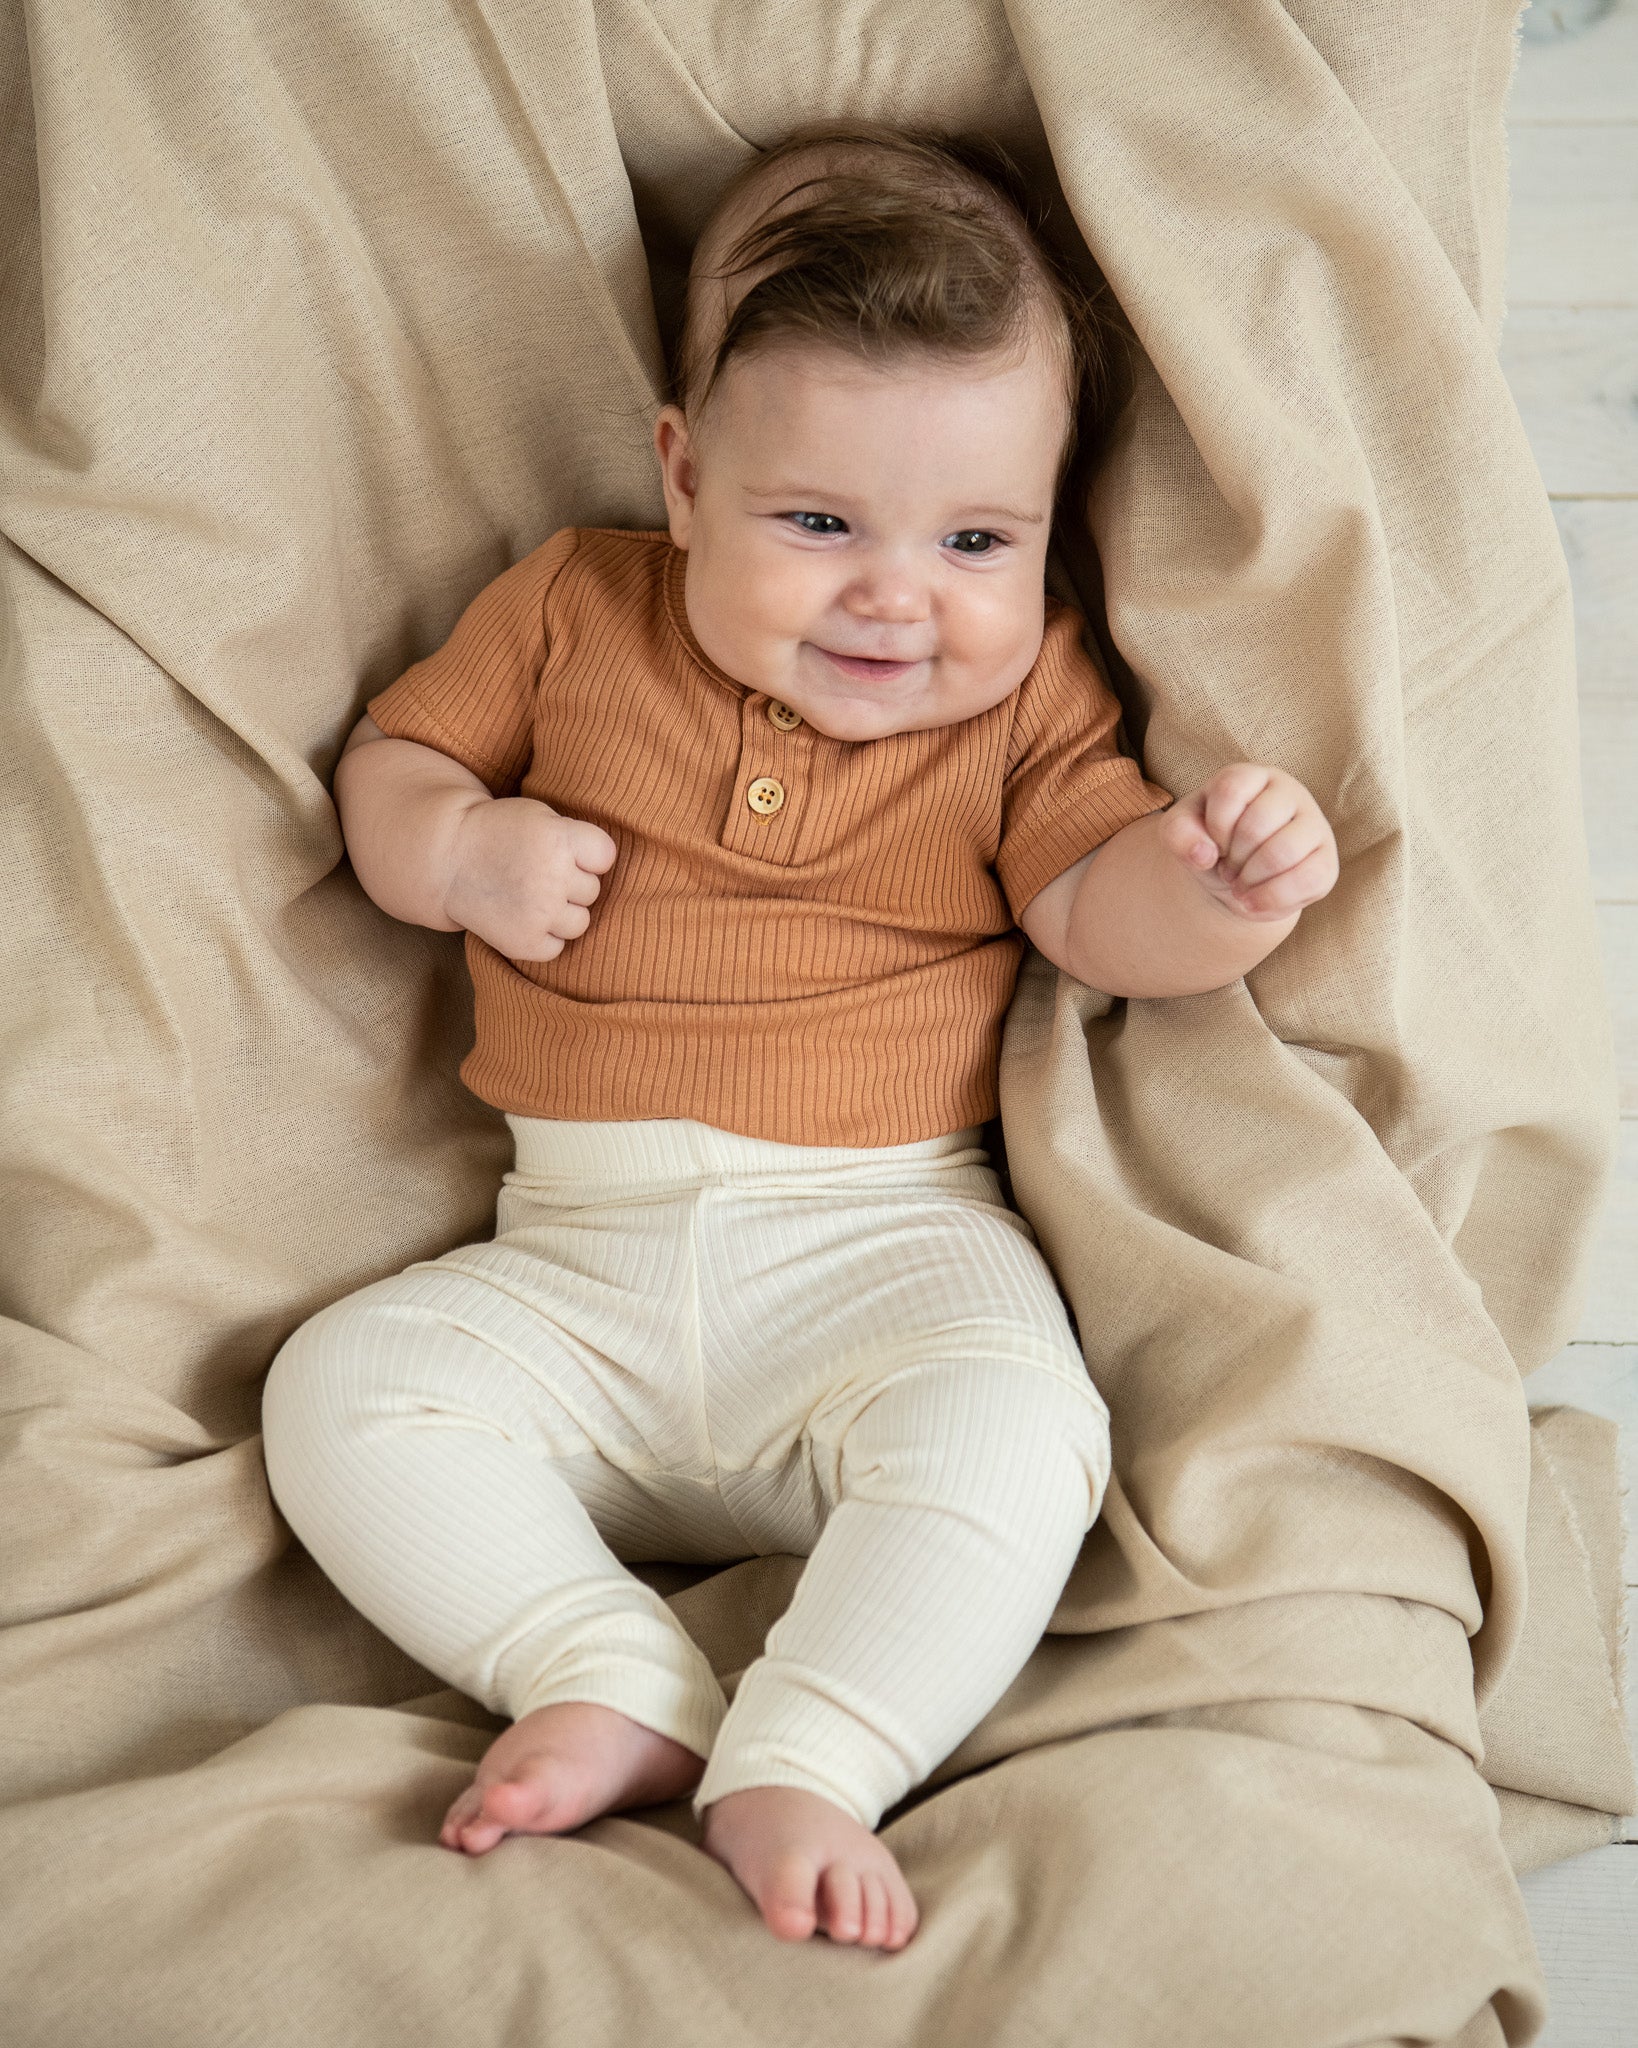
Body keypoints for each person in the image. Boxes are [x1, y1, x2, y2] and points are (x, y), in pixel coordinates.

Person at [260, 120, 1339, 1954]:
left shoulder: (1029, 698)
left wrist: (1220, 892)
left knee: (1016, 1430)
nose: (893, 594)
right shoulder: (570, 609)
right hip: (570, 1268)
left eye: (976, 537)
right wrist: (460, 851)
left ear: (1047, 518)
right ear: (683, 478)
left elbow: (1091, 913)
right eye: (818, 521)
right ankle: (599, 1671)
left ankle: (811, 1754)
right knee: (341, 1387)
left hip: (892, 1250)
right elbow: (394, 765)